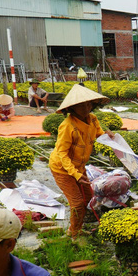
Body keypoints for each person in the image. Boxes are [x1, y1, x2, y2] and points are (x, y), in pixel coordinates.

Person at [49, 84, 114, 239]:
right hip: (62, 169)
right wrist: (76, 175)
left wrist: (108, 135)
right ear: (73, 108)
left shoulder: (92, 119)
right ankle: (73, 234)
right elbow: (62, 154)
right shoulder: (67, 126)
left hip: (79, 166)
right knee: (77, 203)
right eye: (82, 105)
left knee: (87, 197)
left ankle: (78, 228)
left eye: (89, 104)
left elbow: (98, 133)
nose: (87, 107)